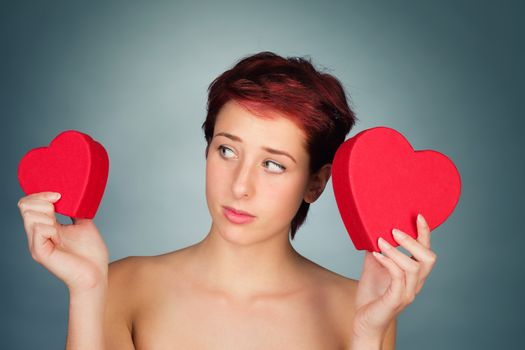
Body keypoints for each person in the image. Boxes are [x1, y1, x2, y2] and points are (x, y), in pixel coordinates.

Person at [17, 51, 437, 349]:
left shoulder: (361, 305)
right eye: (227, 151)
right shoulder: (120, 286)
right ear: (206, 150)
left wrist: (366, 335)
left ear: (315, 183)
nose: (240, 186)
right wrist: (87, 290)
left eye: (273, 164)